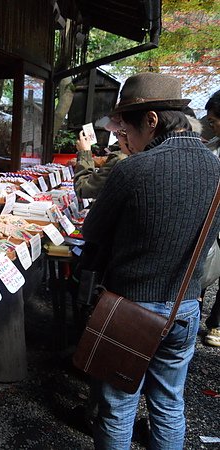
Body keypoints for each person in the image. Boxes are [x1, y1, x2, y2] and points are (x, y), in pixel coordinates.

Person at [81, 72, 220, 449]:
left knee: (118, 406)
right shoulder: (216, 168)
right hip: (185, 305)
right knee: (169, 403)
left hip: (131, 309)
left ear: (152, 120)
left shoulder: (134, 169)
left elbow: (91, 231)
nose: (124, 137)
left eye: (126, 126)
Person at [73, 116, 132, 199]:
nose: (117, 139)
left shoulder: (121, 161)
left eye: (117, 133)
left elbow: (83, 188)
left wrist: (84, 153)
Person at [202, 90, 220, 346]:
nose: (210, 125)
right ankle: (193, 309)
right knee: (202, 265)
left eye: (214, 121)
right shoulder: (212, 147)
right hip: (209, 220)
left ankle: (216, 322)